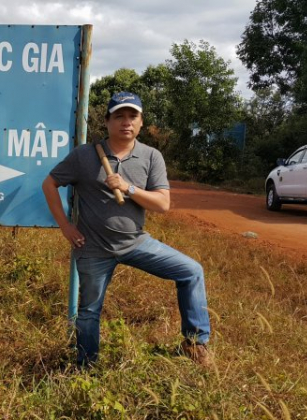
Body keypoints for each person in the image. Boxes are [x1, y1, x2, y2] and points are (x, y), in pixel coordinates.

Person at [41, 92, 211, 367]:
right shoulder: (84, 155)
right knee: (88, 312)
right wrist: (66, 227)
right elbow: (49, 184)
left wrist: (128, 188)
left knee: (191, 271)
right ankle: (86, 367)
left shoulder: (151, 156)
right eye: (119, 116)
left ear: (141, 123)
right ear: (107, 121)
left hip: (136, 242)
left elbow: (162, 204)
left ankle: (195, 345)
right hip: (94, 248)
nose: (126, 122)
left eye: (133, 116)